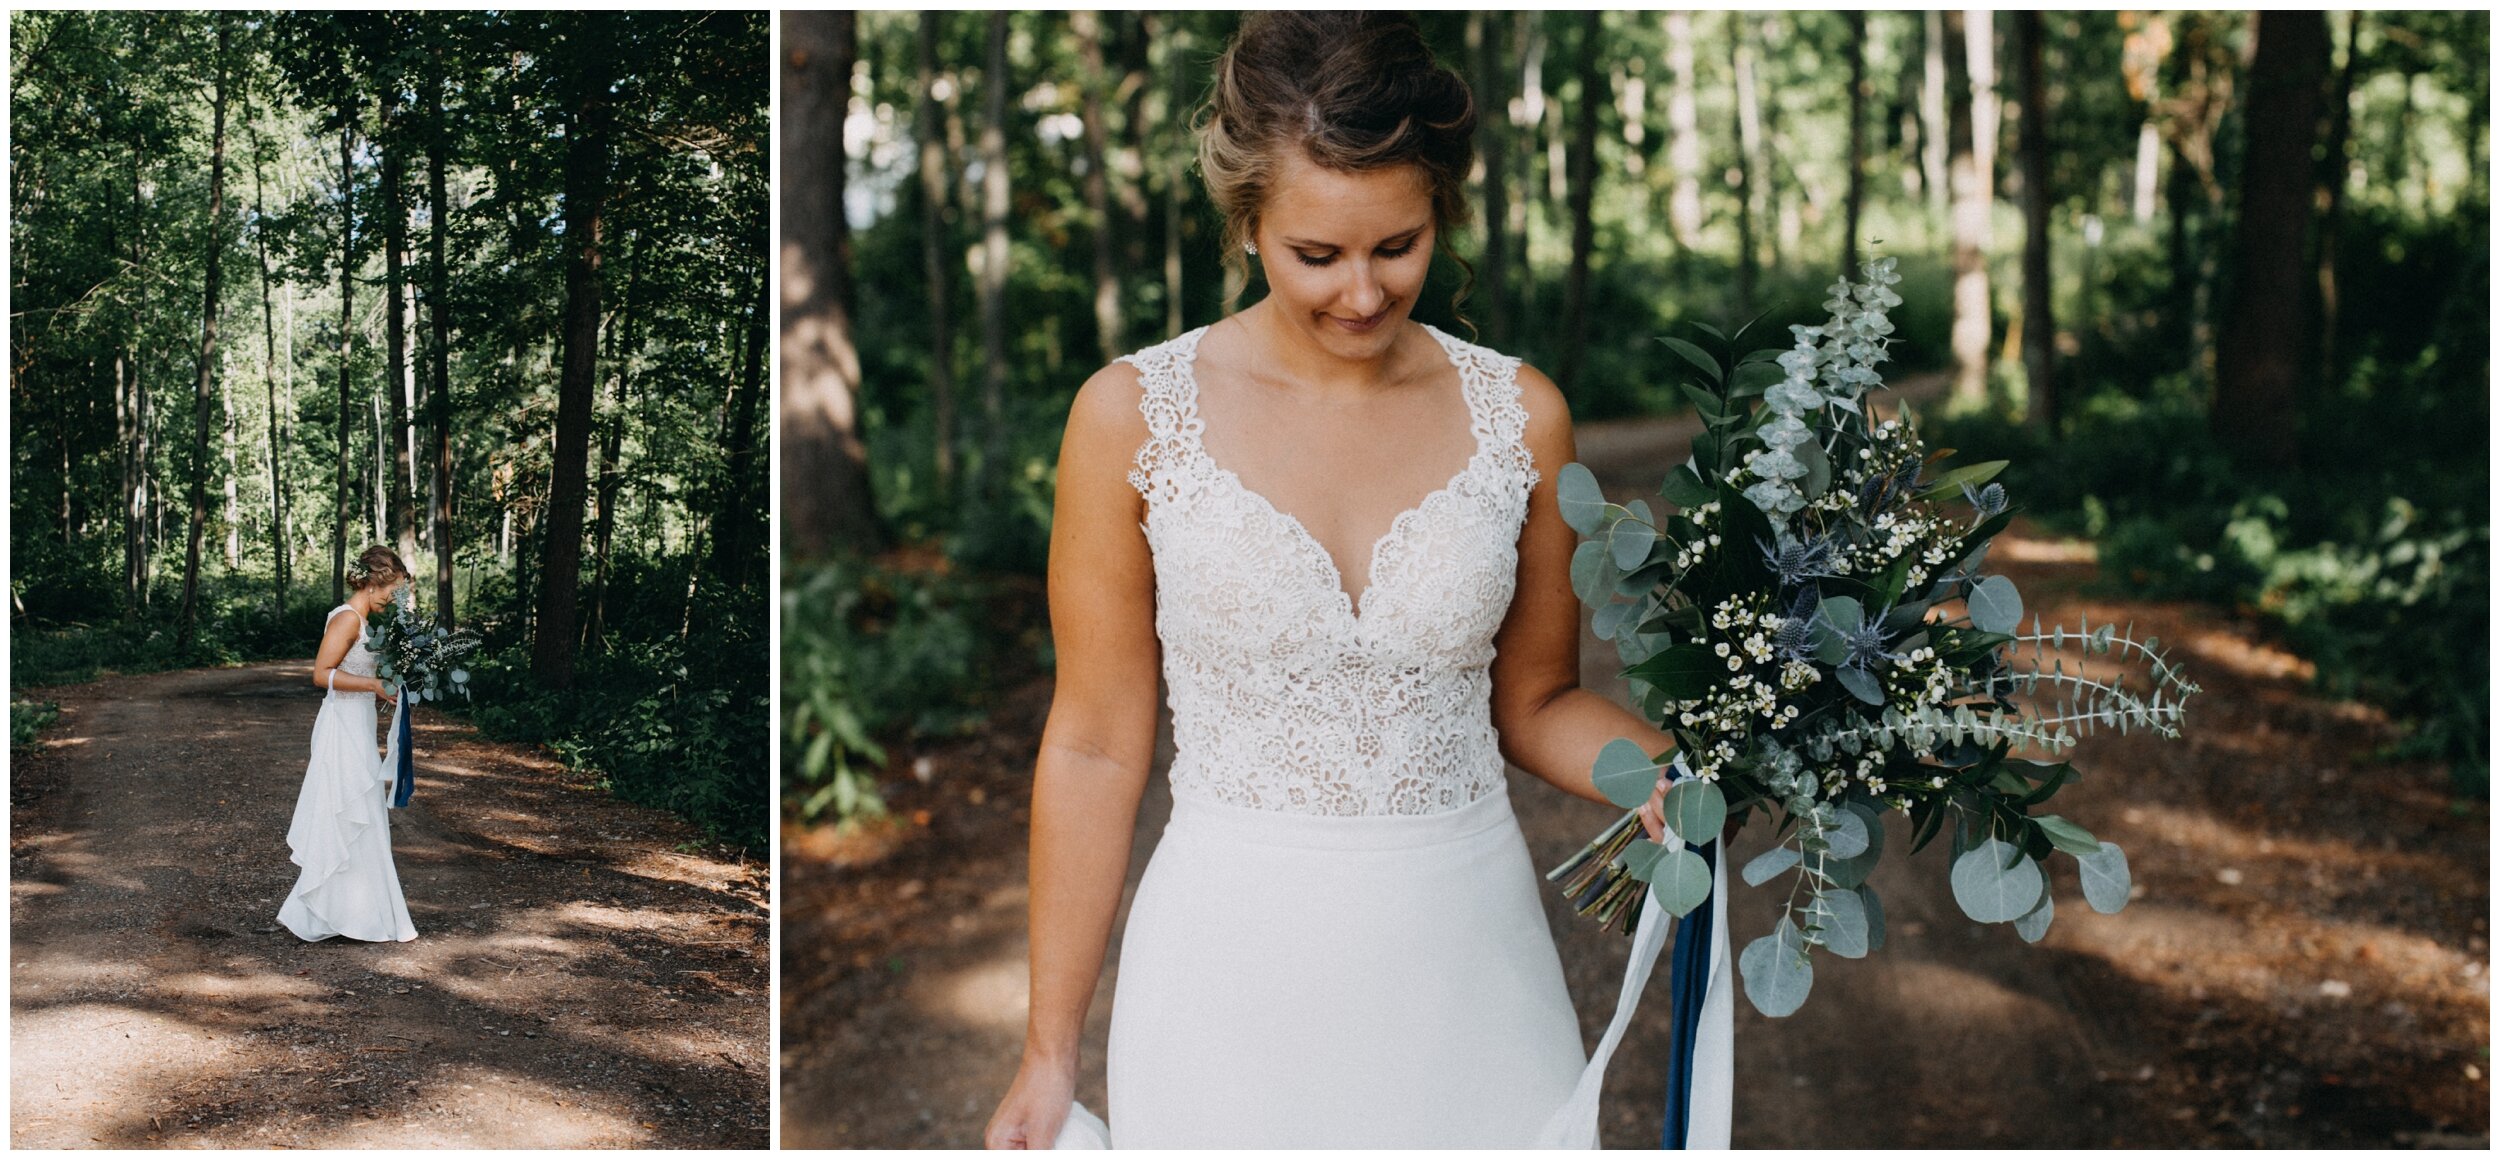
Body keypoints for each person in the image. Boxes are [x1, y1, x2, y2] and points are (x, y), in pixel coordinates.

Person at [986, 14, 1709, 1149]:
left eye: (1398, 245)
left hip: (1470, 964)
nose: (1363, 293)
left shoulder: (1523, 415)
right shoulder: (1129, 416)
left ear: (1442, 214)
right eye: (1316, 254)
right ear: (1247, 224)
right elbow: (1091, 743)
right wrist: (1046, 1050)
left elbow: (1536, 702)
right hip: (1224, 979)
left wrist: (1678, 770)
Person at [276, 544, 419, 943]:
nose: (394, 600)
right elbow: (321, 675)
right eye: (394, 591)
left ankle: (353, 911)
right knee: (348, 809)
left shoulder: (367, 622)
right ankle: (333, 913)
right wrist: (374, 683)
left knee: (364, 810)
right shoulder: (346, 619)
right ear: (375, 584)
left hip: (360, 721)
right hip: (342, 724)